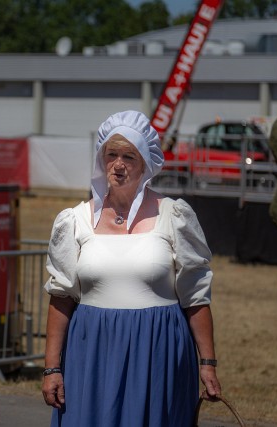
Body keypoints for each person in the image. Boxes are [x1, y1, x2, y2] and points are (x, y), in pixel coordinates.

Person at [41, 110, 221, 426]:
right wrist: (52, 367)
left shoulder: (173, 215)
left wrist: (207, 363)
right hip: (92, 351)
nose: (119, 164)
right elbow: (61, 296)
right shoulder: (75, 220)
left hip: (157, 351)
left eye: (129, 156)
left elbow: (196, 297)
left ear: (146, 163)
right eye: (112, 154)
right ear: (101, 159)